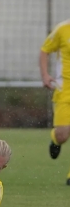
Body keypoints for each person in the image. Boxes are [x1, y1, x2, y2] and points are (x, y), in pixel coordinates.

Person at [39, 19, 70, 185]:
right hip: (64, 90)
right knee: (63, 134)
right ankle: (55, 138)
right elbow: (44, 50)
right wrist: (45, 75)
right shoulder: (62, 29)